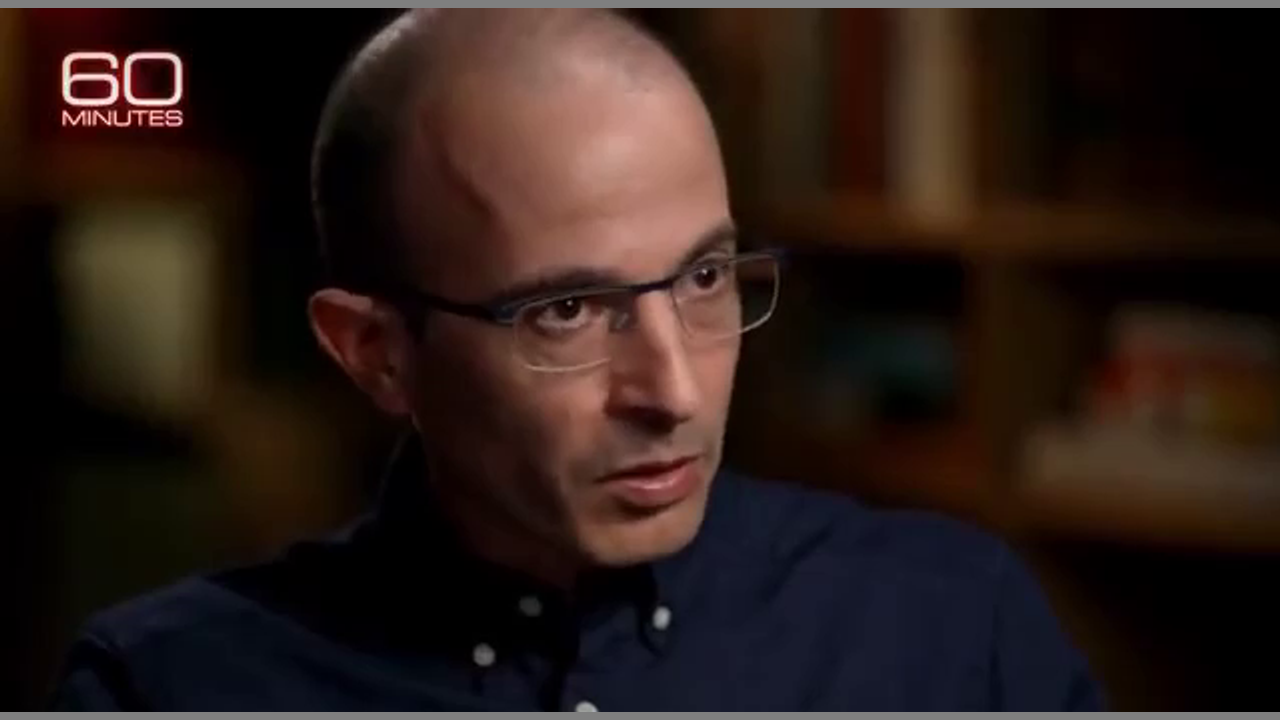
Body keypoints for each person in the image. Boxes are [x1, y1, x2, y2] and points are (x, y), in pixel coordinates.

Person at [48, 8, 1105, 711]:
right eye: (566, 310)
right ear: (376, 354)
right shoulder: (168, 688)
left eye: (704, 278)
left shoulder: (950, 627)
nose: (673, 391)